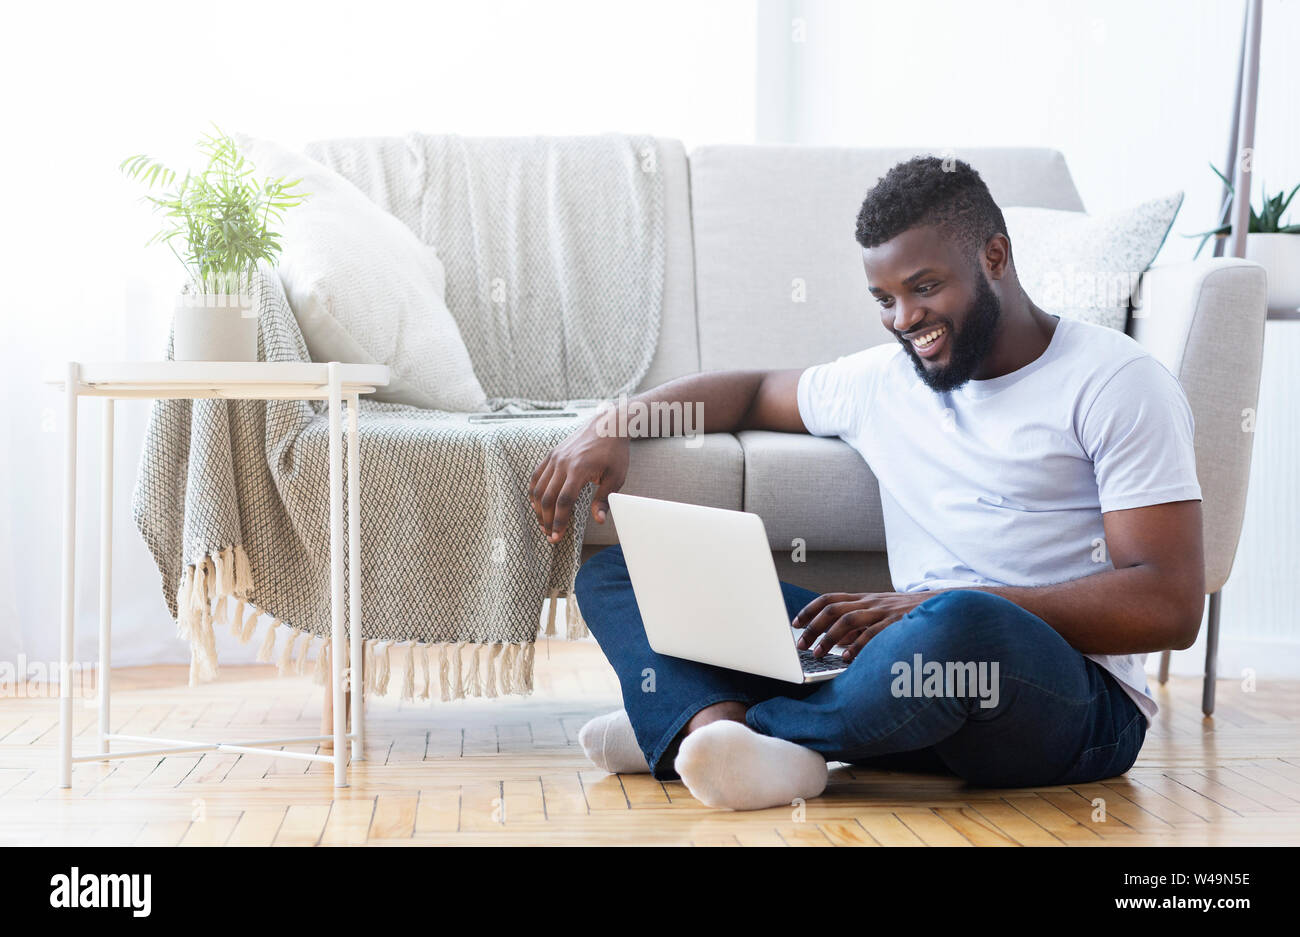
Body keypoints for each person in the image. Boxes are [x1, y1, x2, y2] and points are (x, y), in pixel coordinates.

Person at [527, 156, 1205, 811]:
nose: (905, 318)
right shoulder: (884, 381)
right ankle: (721, 735)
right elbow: (753, 390)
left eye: (925, 286)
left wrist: (933, 604)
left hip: (1068, 701)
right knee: (623, 572)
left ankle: (697, 724)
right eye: (885, 298)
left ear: (994, 258)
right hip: (899, 675)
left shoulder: (1117, 382)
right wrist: (611, 422)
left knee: (965, 621)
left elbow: (1169, 604)